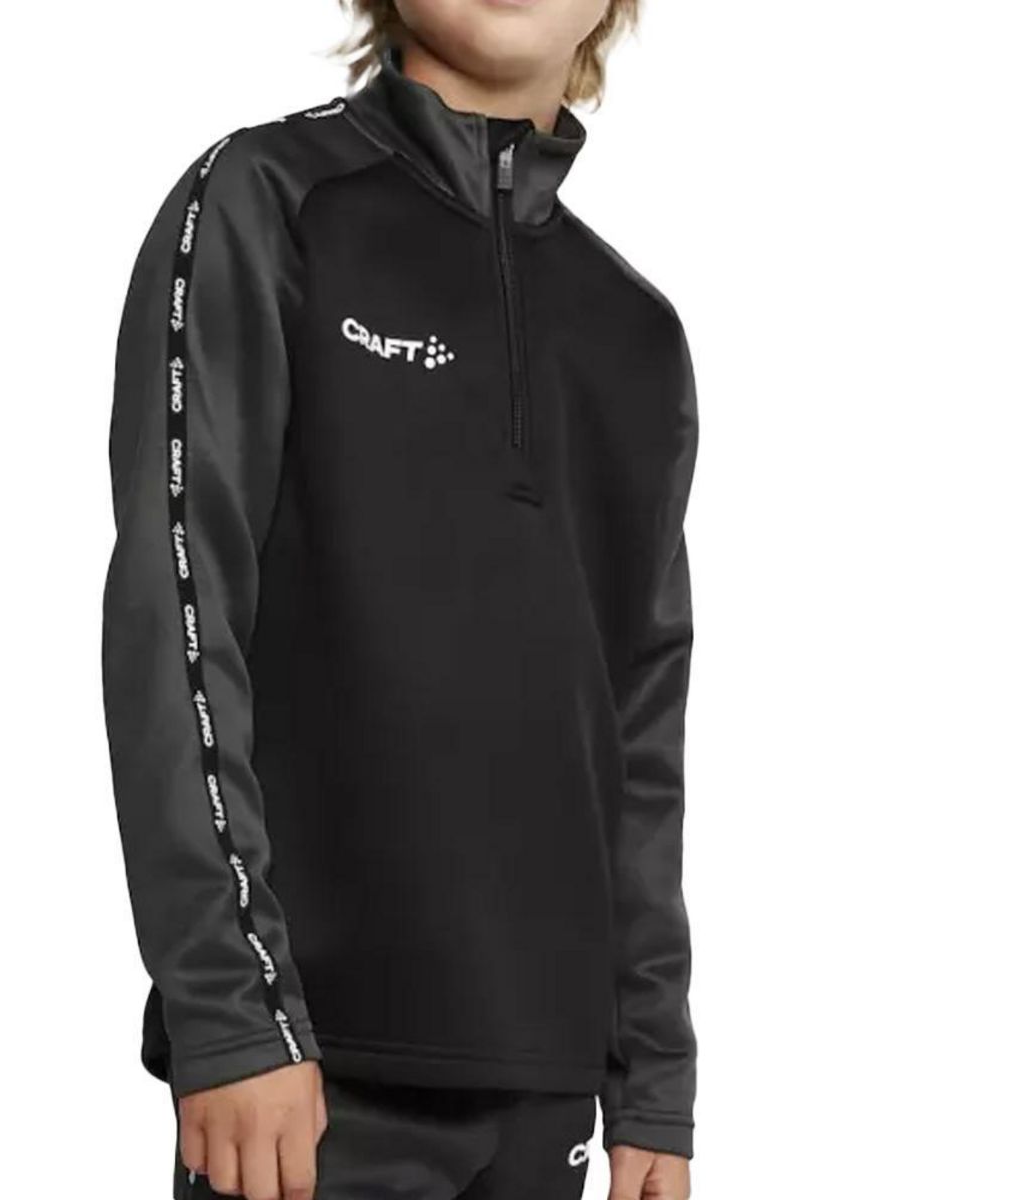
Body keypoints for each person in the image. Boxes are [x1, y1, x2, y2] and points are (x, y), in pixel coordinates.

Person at [102, 2, 698, 1197]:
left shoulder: (634, 333)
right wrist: (235, 1010)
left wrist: (653, 1082)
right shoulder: (268, 203)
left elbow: (636, 732)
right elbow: (181, 608)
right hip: (311, 1076)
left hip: (548, 1089)